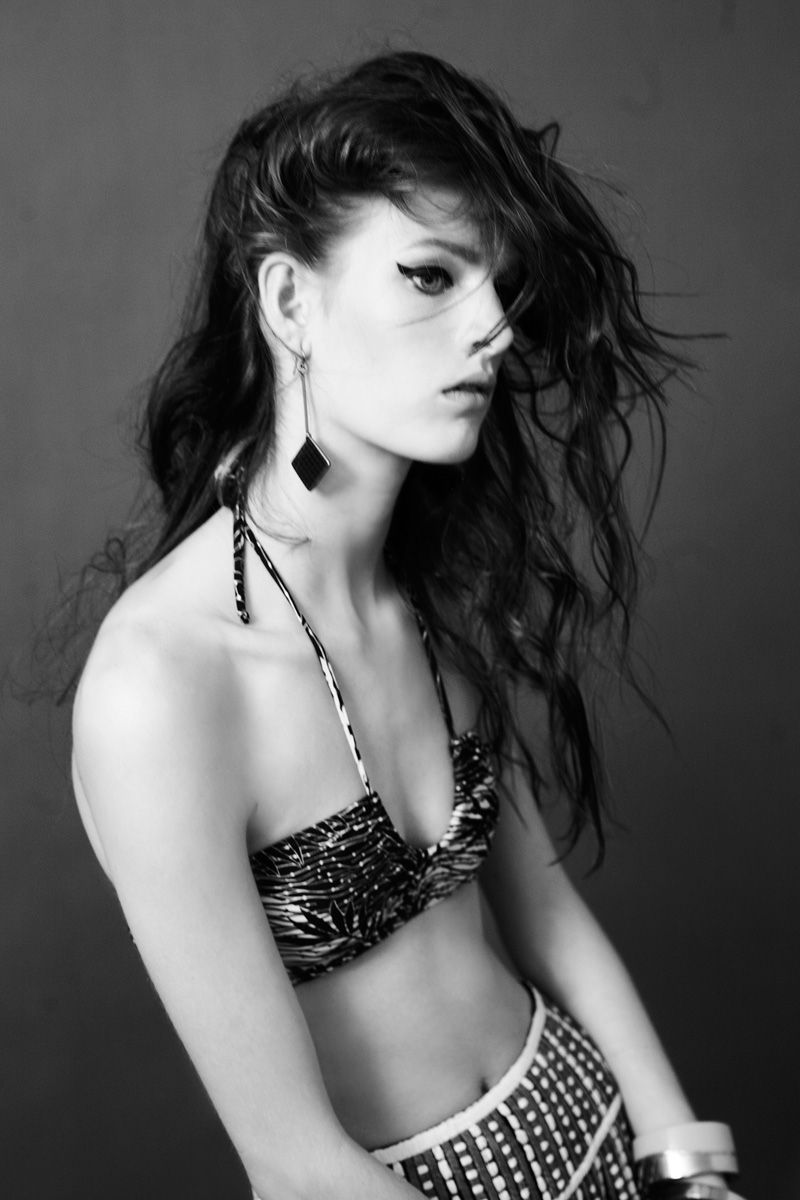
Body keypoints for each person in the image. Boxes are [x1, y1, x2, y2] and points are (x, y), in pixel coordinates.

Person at [69, 51, 741, 1200]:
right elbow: (291, 1164)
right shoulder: (161, 685)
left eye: (501, 287)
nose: (492, 330)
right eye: (431, 275)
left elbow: (545, 915)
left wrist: (684, 1157)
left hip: (594, 1133)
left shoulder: (417, 605)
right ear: (290, 302)